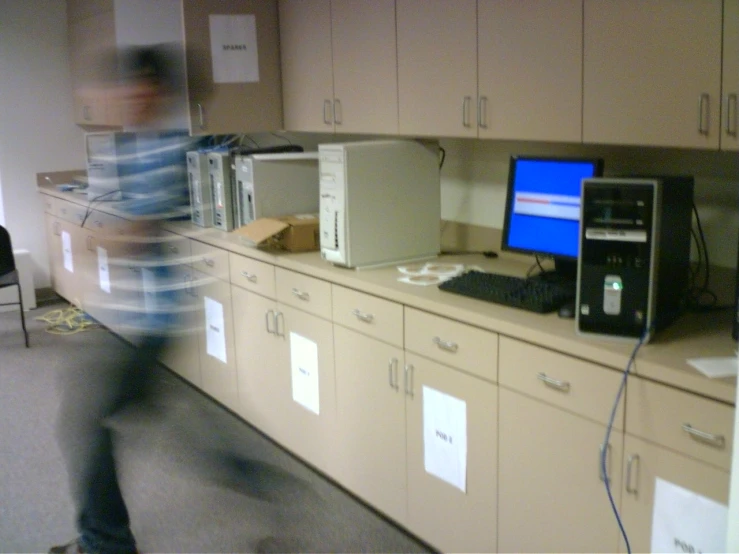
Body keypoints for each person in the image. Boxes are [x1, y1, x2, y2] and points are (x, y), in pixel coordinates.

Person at [49, 45, 305, 554]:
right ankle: (262, 484)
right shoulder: (132, 145)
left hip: (156, 317)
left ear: (155, 92)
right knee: (178, 429)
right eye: (124, 88)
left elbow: (141, 230)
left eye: (137, 87)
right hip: (139, 314)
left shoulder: (166, 147)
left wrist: (101, 241)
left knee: (86, 421)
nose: (127, 97)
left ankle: (105, 543)